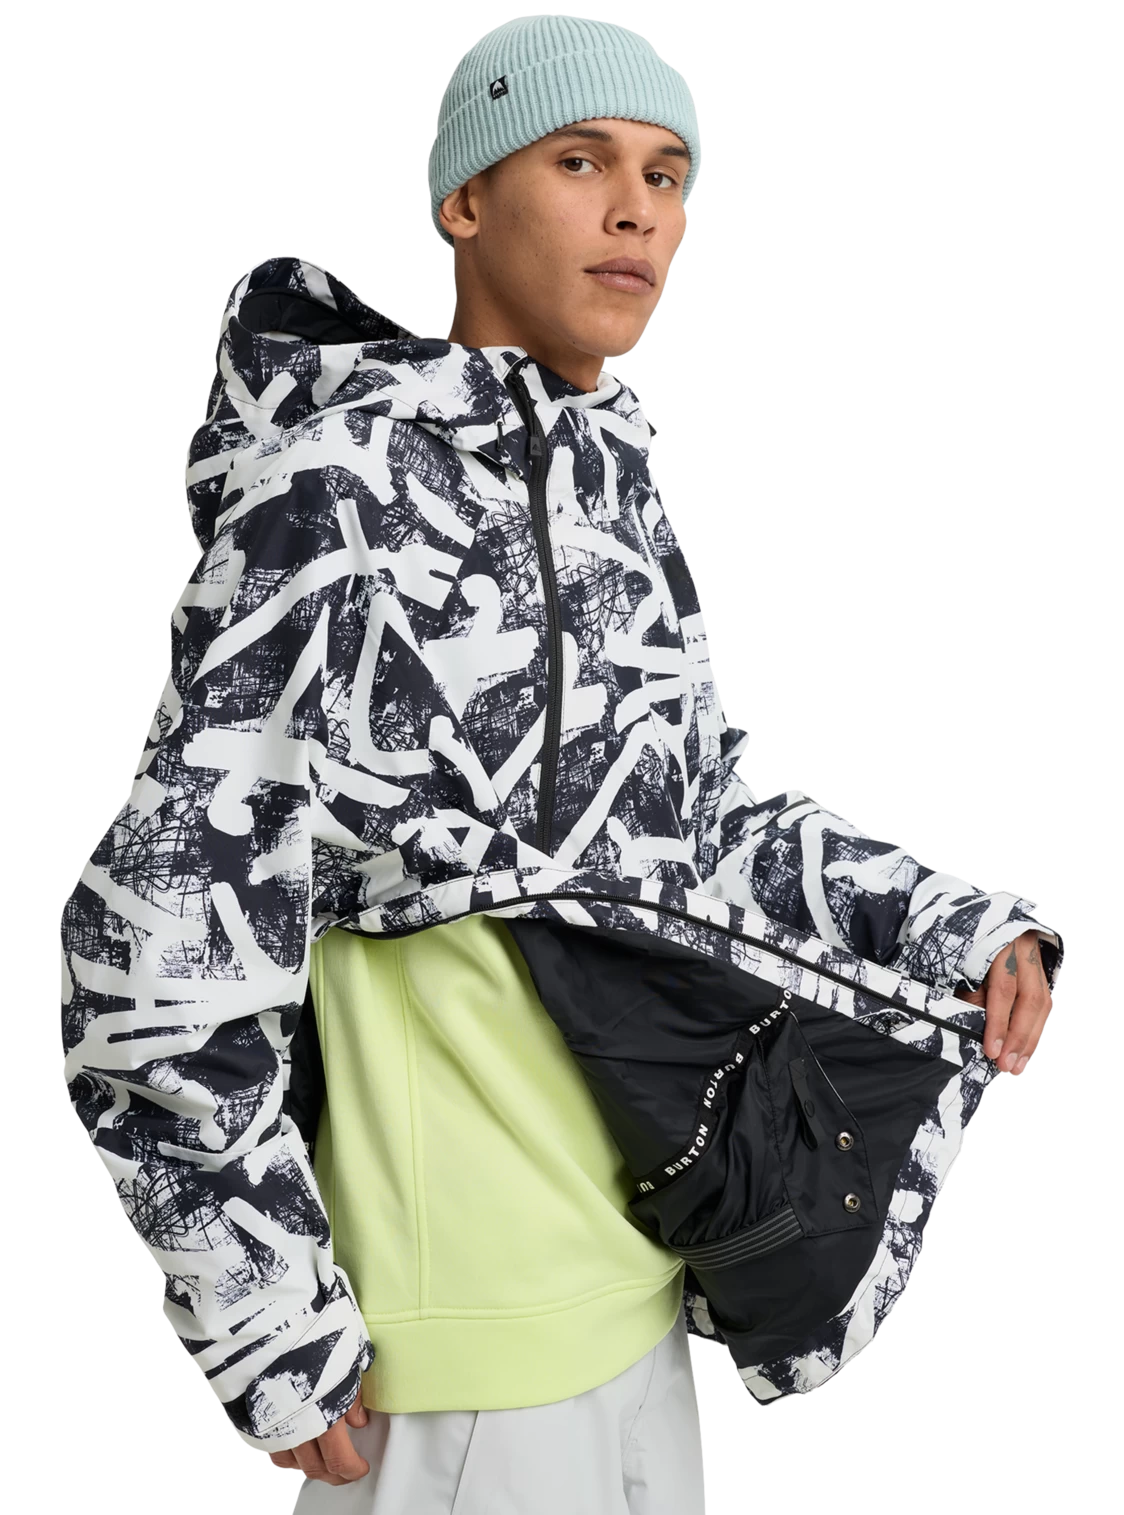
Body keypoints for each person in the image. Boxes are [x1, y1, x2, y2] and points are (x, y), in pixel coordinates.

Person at [58, 15, 1062, 1515]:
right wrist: (262, 1313)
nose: (637, 210)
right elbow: (157, 922)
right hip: (454, 1354)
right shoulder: (335, 492)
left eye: (668, 175)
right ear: (464, 199)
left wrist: (955, 927)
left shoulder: (615, 492)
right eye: (582, 162)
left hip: (639, 1289)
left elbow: (688, 827)